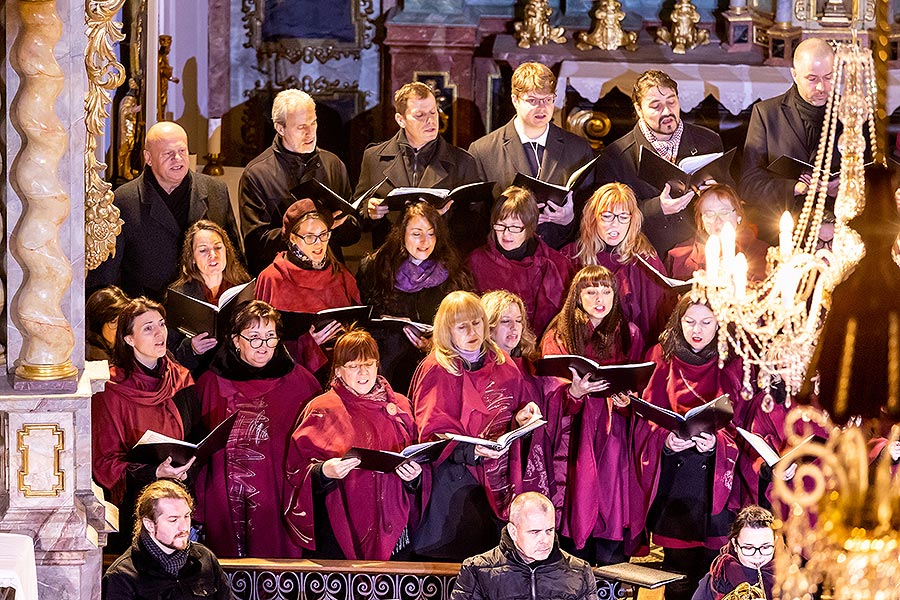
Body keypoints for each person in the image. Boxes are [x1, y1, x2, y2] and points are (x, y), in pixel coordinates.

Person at [410, 291, 541, 561]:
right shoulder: (437, 368)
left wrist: (522, 416)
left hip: (498, 480)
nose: (472, 331)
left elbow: (513, 409)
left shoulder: (505, 365)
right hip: (454, 484)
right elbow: (429, 434)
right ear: (447, 331)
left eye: (477, 323)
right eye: (462, 326)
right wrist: (470, 451)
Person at [632, 296, 747, 600]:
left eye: (707, 322)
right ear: (677, 322)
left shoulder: (733, 361)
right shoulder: (660, 356)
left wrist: (718, 443)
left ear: (720, 322)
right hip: (677, 487)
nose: (697, 330)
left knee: (717, 575)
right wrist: (666, 442)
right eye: (689, 321)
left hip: (717, 484)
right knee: (678, 579)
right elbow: (645, 420)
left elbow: (747, 426)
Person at [193, 301, 321, 558]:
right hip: (228, 494)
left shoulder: (301, 381)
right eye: (254, 338)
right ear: (235, 340)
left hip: (279, 492)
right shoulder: (210, 383)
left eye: (270, 337)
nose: (263, 346)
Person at [283, 328, 424, 560]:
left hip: (394, 522)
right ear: (338, 371)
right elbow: (295, 470)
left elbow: (420, 461)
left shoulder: (401, 405)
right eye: (353, 366)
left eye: (368, 363)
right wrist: (323, 471)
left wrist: (414, 478)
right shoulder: (322, 409)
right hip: (339, 525)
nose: (363, 372)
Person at [540, 266, 644, 565]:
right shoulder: (560, 332)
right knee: (579, 507)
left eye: (606, 290)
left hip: (614, 435)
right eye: (590, 291)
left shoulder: (629, 332)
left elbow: (638, 385)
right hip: (577, 434)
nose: (600, 298)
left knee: (611, 510)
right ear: (578, 296)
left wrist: (627, 401)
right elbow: (549, 390)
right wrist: (574, 393)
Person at [482, 290, 606, 526]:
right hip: (490, 469)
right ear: (488, 326)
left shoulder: (531, 366)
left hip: (530, 463)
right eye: (506, 322)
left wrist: (576, 393)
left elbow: (555, 403)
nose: (514, 328)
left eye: (519, 321)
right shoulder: (479, 369)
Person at [92, 298, 202, 553]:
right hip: (134, 508)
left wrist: (186, 469)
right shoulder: (110, 390)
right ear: (129, 339)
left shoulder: (182, 378)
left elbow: (196, 440)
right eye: (148, 328)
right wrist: (154, 473)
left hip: (179, 499)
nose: (159, 333)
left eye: (161, 324)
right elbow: (104, 462)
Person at [87, 121, 242, 300]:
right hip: (147, 313)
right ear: (148, 157)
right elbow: (107, 277)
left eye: (182, 151)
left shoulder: (216, 191)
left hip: (205, 309)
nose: (177, 159)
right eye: (168, 153)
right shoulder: (123, 201)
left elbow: (235, 258)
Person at [594, 70, 727, 256]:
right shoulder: (616, 155)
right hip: (645, 252)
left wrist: (716, 191)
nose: (667, 112)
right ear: (639, 110)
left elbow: (731, 191)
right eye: (655, 106)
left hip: (701, 250)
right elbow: (605, 216)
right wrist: (657, 208)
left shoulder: (707, 140)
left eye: (671, 102)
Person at [469, 62, 595, 250]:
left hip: (558, 258)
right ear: (515, 99)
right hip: (505, 262)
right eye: (533, 101)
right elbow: (474, 219)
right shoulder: (483, 151)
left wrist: (569, 219)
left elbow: (590, 210)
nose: (542, 108)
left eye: (548, 100)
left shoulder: (578, 149)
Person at [357, 201, 474, 393]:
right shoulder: (376, 267)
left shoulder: (453, 271)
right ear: (402, 234)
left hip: (438, 364)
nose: (424, 242)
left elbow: (467, 324)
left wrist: (437, 342)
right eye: (416, 234)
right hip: (389, 365)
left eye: (431, 233)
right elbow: (365, 321)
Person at [240, 89, 360, 274]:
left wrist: (340, 224)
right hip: (280, 279)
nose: (310, 132)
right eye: (301, 127)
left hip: (327, 277)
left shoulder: (333, 164)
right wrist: (302, 231)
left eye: (313, 123)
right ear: (280, 128)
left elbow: (353, 235)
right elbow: (256, 244)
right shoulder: (256, 173)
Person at [357, 81, 481, 250]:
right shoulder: (374, 157)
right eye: (420, 115)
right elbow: (357, 215)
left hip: (441, 262)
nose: (430, 120)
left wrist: (440, 218)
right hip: (389, 262)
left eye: (433, 112)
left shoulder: (463, 161)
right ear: (401, 120)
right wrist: (369, 211)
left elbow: (475, 224)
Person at [740, 38, 837, 244]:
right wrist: (795, 188)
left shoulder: (853, 115)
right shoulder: (767, 114)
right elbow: (748, 184)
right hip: (782, 230)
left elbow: (873, 180)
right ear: (794, 74)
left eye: (829, 77)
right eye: (812, 78)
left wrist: (846, 188)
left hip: (837, 233)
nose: (821, 87)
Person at [255, 198, 360, 374]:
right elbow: (258, 344)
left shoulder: (340, 273)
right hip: (291, 375)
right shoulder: (272, 278)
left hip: (342, 371)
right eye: (310, 237)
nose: (319, 244)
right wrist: (307, 345)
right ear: (293, 239)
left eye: (323, 234)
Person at [562, 183, 670, 352]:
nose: (615, 224)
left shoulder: (646, 259)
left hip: (633, 352)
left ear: (632, 219)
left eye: (623, 217)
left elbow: (659, 320)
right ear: (593, 217)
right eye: (607, 216)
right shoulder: (571, 256)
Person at [450, 492, 598, 600]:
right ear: (513, 531)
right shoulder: (477, 570)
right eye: (534, 532)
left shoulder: (580, 571)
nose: (545, 540)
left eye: (549, 530)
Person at [467, 186, 572, 337]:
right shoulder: (476, 262)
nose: (506, 234)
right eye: (501, 225)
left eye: (515, 227)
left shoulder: (557, 264)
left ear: (530, 228)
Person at [102, 480, 232, 600]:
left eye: (186, 516)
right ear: (149, 525)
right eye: (173, 520)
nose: (184, 527)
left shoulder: (205, 558)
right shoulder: (122, 576)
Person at [167, 220, 252, 373]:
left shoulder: (243, 283)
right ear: (192, 258)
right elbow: (169, 354)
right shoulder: (179, 295)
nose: (213, 255)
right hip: (202, 374)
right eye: (203, 250)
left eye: (218, 247)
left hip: (240, 367)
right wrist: (191, 348)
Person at [666, 185, 770, 282]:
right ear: (701, 221)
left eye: (724, 212)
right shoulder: (679, 256)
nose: (718, 220)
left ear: (738, 216)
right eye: (710, 214)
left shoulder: (763, 253)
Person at [691, 505, 776, 600]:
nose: (757, 556)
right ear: (735, 544)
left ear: (775, 541)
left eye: (765, 547)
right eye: (748, 548)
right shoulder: (718, 578)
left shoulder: (790, 574)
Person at [86, 286, 131, 361]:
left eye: (123, 320)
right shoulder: (97, 357)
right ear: (97, 324)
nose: (120, 327)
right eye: (113, 322)